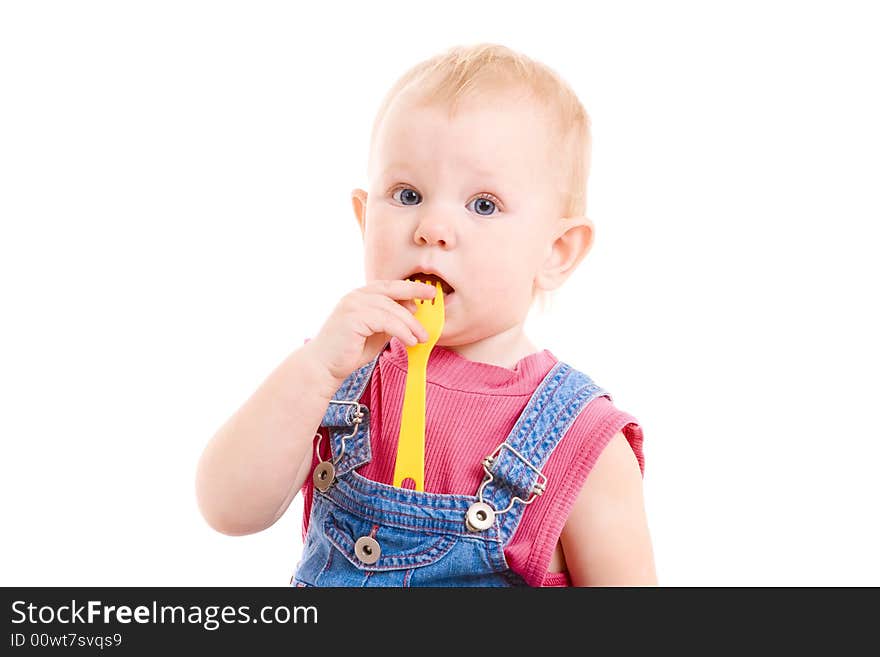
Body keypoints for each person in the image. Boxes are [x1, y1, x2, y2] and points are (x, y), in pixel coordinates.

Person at [196, 43, 657, 586]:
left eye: (483, 204)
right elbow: (228, 509)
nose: (432, 227)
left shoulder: (579, 438)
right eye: (407, 193)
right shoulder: (335, 376)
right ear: (365, 219)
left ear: (555, 252)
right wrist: (317, 370)